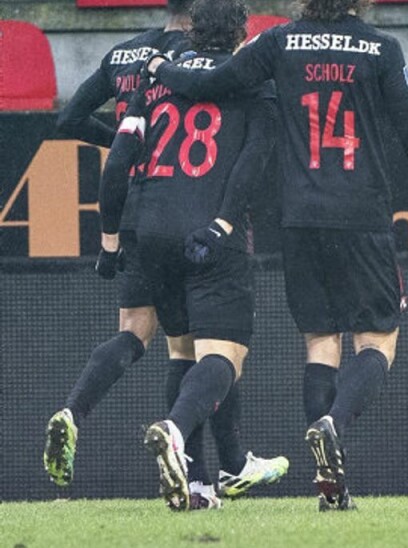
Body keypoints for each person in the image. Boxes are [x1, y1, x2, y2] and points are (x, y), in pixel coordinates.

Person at [146, 0, 408, 511]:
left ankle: (332, 487)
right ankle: (334, 426)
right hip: (362, 214)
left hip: (300, 217)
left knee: (320, 343)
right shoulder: (381, 47)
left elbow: (212, 84)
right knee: (377, 340)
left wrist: (161, 68)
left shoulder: (278, 40)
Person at [44, 0, 288, 508]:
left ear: (191, 27)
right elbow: (252, 161)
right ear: (243, 33)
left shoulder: (156, 76)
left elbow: (116, 164)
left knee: (176, 347)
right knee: (222, 354)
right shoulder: (251, 81)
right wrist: (224, 221)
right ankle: (180, 435)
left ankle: (199, 484)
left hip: (147, 223)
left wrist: (110, 238)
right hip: (208, 226)